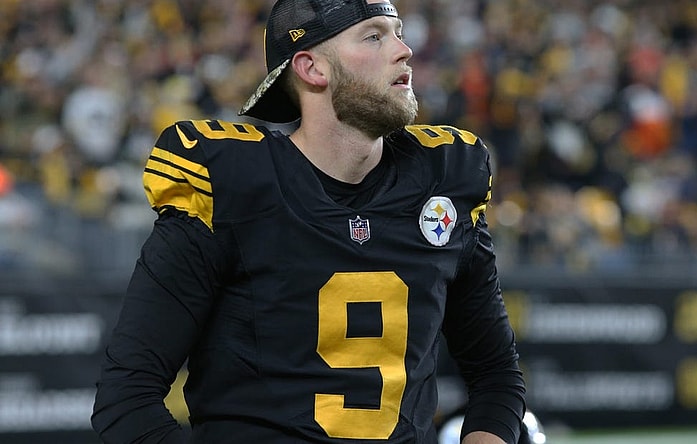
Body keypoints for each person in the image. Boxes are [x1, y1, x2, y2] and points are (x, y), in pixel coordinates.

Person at [91, 0, 527, 442]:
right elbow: (126, 400)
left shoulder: (444, 177)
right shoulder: (233, 186)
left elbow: (496, 377)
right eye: (374, 36)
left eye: (398, 32)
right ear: (311, 68)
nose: (404, 50)